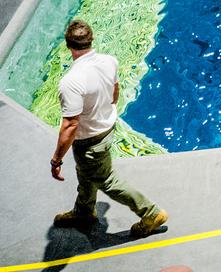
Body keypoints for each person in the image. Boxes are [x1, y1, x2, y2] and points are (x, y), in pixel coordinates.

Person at [50, 20, 167, 237]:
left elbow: (70, 125)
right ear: (91, 40)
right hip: (106, 129)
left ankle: (151, 213)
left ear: (68, 46)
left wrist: (56, 159)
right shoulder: (109, 61)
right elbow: (115, 92)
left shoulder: (71, 81)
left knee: (107, 180)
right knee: (86, 172)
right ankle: (84, 211)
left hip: (90, 140)